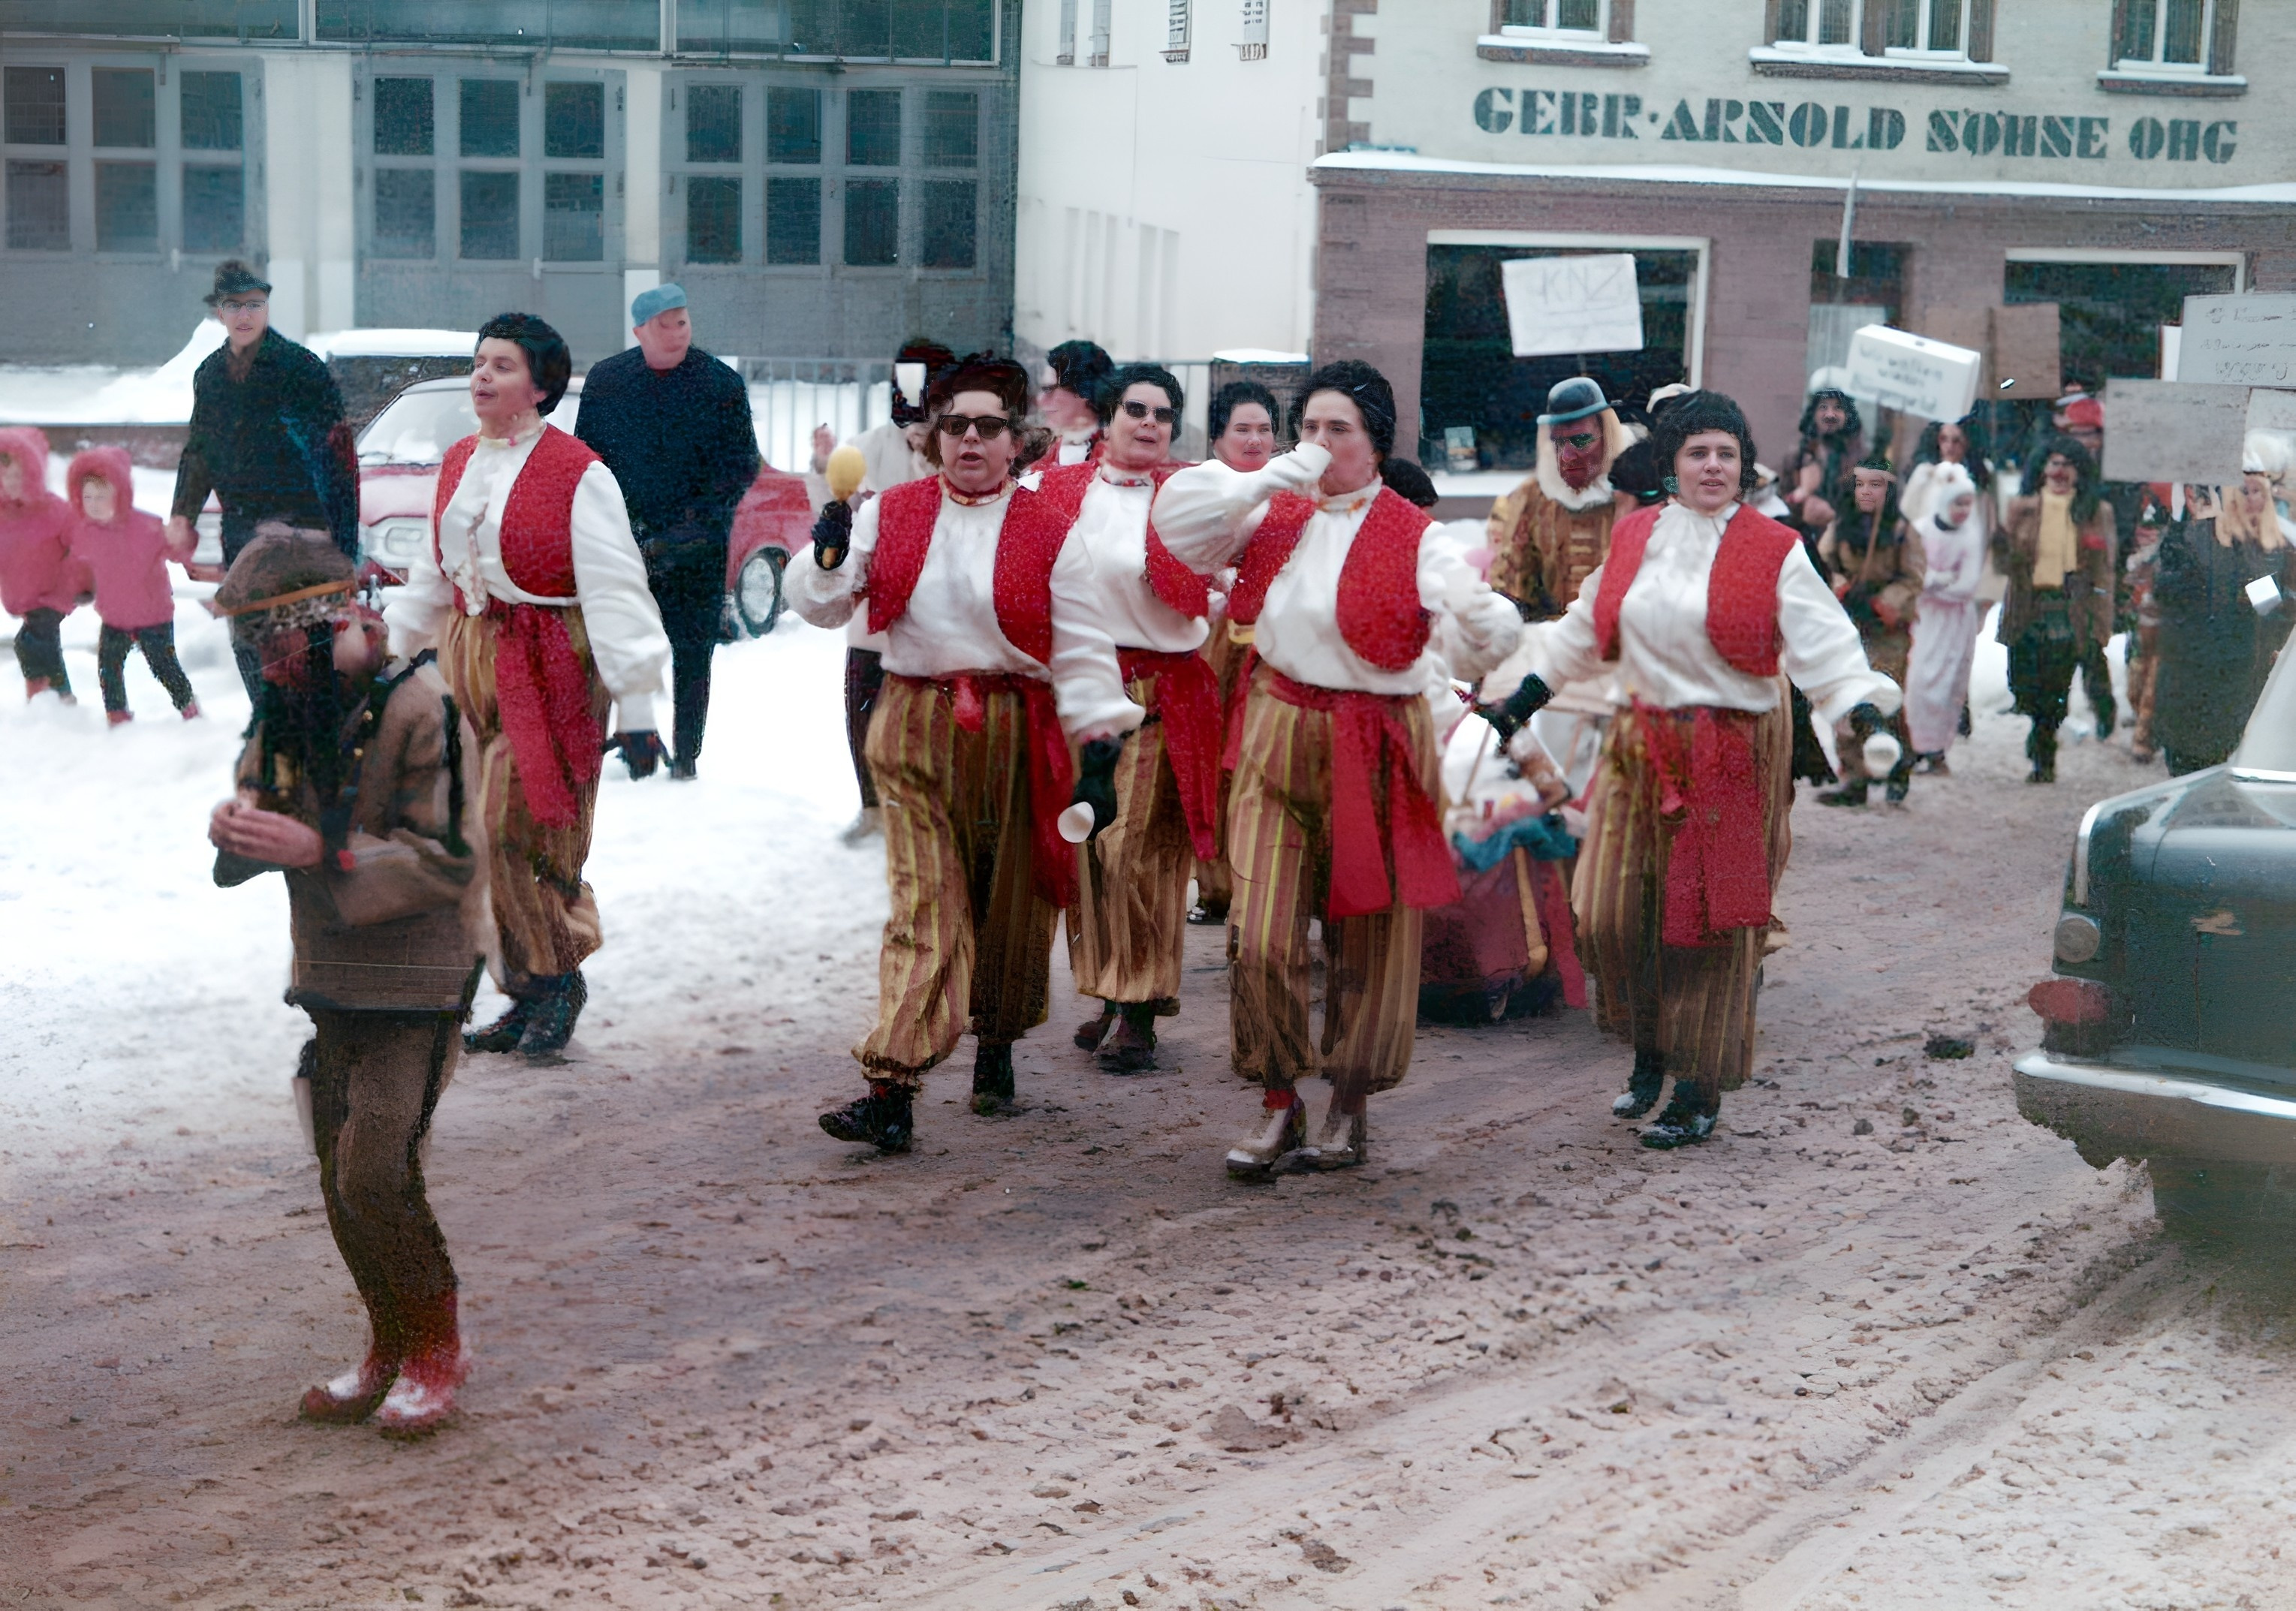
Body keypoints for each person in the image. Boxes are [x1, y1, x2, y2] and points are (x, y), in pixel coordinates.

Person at [1478, 390, 1898, 1148]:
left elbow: (1825, 646)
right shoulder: (1636, 533)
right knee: (1608, 913)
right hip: (1639, 740)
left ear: (1743, 467)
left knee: (1702, 922)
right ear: (1670, 465)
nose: (1713, 465)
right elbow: (1582, 626)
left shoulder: (1773, 547)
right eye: (1698, 452)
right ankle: (1650, 1048)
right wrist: (1523, 698)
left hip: (1727, 743)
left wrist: (1857, 707)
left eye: (1726, 454)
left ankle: (1696, 1086)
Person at [1152, 361, 1523, 1176]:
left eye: (1337, 431)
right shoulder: (1272, 515)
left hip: (1375, 736)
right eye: (1308, 429)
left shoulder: (1412, 534)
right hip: (1278, 728)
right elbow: (1179, 531)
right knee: (1261, 935)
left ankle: (1348, 1102)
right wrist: (1270, 478)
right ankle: (1278, 1100)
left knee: (1364, 934)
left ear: (1375, 445)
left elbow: (1471, 628)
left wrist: (1481, 619)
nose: (1318, 445)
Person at [789, 354, 1124, 1147]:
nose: (970, 440)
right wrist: (829, 550)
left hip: (1016, 727)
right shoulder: (888, 512)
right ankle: (892, 1083)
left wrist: (1100, 748)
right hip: (912, 724)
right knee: (925, 903)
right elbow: (826, 606)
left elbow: (1082, 647)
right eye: (955, 426)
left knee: (1007, 903)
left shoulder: (1051, 530)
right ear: (934, 438)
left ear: (1018, 442)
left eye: (988, 427)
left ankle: (996, 1041)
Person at [206, 529, 485, 1438]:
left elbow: (449, 859)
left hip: (420, 978)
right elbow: (265, 800)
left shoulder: (422, 702)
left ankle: (436, 1348)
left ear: (333, 624)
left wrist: (318, 849)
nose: (267, 669)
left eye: (277, 646)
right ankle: (386, 1343)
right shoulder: (289, 705)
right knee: (339, 1174)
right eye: (255, 652)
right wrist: (237, 826)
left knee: (378, 1169)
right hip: (329, 976)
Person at [384, 314, 670, 1060]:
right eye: (479, 363)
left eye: (502, 365)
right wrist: (385, 657)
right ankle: (525, 987)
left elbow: (617, 593)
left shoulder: (579, 472)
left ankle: (559, 976)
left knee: (528, 825)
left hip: (550, 665)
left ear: (539, 385)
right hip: (470, 656)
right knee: (477, 835)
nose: (482, 377)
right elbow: (430, 574)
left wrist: (638, 708)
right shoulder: (456, 462)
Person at [1040, 363, 1220, 1073]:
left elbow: (1243, 550)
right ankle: (1110, 994)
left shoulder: (1193, 498)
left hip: (1156, 694)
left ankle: (1140, 1005)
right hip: (1084, 691)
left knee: (1135, 850)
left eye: (1164, 415)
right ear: (1109, 419)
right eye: (1136, 410)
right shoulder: (1059, 491)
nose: (1150, 424)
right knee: (1087, 848)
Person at [574, 284, 760, 781]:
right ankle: (636, 744)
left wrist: (693, 527)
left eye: (683, 322)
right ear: (639, 332)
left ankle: (687, 753)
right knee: (621, 641)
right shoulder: (608, 382)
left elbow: (741, 465)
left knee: (692, 650)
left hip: (697, 545)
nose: (677, 333)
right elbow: (586, 460)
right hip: (624, 541)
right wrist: (619, 526)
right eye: (664, 325)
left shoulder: (721, 384)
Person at [169, 260, 358, 700]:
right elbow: (200, 451)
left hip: (305, 527)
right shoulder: (211, 375)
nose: (244, 315)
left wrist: (342, 540)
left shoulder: (301, 368)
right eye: (233, 306)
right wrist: (183, 514)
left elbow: (337, 457)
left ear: (267, 308)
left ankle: (318, 747)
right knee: (250, 639)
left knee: (310, 646)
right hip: (242, 527)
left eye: (254, 304)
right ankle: (267, 730)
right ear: (219, 313)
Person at [808, 338, 956, 842]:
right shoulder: (869, 446)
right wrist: (823, 468)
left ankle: (928, 809)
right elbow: (832, 514)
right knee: (864, 703)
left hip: (939, 606)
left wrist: (928, 453)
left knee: (932, 714)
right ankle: (873, 807)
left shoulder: (961, 444)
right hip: (875, 605)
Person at [1189, 380, 1284, 928]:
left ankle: (1262, 884)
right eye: (1241, 430)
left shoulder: (1293, 492)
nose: (1254, 440)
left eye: (1264, 429)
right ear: (1219, 438)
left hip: (1276, 639)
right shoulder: (1201, 490)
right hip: (1216, 640)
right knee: (1216, 758)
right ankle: (1216, 883)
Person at [1995, 437, 2117, 784]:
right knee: (2022, 683)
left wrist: (2101, 623)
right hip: (2028, 608)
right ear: (2042, 469)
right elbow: (2003, 564)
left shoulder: (2096, 512)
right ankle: (2038, 727)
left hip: (2069, 609)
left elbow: (2104, 571)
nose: (2060, 471)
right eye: (2054, 463)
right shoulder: (2022, 507)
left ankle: (2044, 750)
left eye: (2068, 464)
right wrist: (2002, 533)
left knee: (2056, 687)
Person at [2151, 471, 2282, 775]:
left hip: (2234, 664)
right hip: (2192, 663)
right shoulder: (2186, 538)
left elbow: (2266, 603)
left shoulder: (2251, 546)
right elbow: (2167, 593)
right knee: (2188, 753)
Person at [1815, 454, 1922, 806]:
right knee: (1847, 698)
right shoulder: (1841, 527)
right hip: (1850, 623)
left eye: (1875, 485)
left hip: (1886, 627)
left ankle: (1897, 768)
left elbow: (1913, 579)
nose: (1866, 492)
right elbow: (1823, 565)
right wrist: (1843, 587)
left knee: (1885, 696)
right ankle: (1855, 777)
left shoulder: (1903, 532)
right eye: (1860, 484)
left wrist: (1886, 602)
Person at [66, 447, 200, 725]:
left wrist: (182, 540)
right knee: (108, 666)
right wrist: (76, 589)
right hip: (114, 617)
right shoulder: (84, 532)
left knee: (163, 665)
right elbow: (78, 566)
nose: (94, 504)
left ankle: (188, 706)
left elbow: (177, 552)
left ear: (121, 493)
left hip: (154, 615)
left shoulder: (147, 527)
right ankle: (117, 713)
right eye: (87, 496)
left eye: (101, 497)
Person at [1485, 377, 1632, 622]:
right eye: (1558, 442)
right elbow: (1508, 597)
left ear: (1607, 435)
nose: (1566, 456)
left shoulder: (1646, 492)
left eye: (1581, 441)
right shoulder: (1526, 501)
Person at [1903, 464, 1986, 774]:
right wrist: (1939, 579)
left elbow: (1966, 586)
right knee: (1918, 681)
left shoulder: (1970, 537)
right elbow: (1915, 576)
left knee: (1946, 685)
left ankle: (1937, 751)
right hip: (1923, 620)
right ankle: (1912, 745)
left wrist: (1935, 586)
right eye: (1957, 503)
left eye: (1968, 504)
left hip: (1954, 624)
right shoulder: (1922, 530)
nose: (1963, 510)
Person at [0, 426, 86, 703]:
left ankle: (57, 697)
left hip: (54, 593)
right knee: (37, 645)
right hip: (25, 595)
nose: (10, 484)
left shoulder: (54, 510)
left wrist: (83, 580)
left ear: (33, 475)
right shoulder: (4, 514)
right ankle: (45, 697)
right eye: (4, 477)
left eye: (16, 476)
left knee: (33, 642)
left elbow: (81, 542)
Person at [1779, 387, 1865, 541]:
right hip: (1802, 545)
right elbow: (1780, 508)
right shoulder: (1796, 458)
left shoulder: (1862, 460)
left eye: (1838, 407)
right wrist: (1801, 497)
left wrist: (1834, 517)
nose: (1830, 414)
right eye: (1823, 407)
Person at [1038, 340, 1113, 466]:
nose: (1040, 399)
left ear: (1083, 392)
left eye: (1049, 389)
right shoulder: (1039, 450)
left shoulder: (1120, 455)